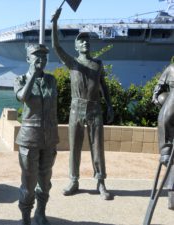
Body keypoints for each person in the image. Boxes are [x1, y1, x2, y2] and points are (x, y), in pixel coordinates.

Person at [51, 8, 114, 200]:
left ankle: (101, 181)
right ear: (76, 46)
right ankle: (73, 180)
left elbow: (103, 86)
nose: (85, 42)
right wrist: (54, 23)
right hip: (76, 108)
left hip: (95, 108)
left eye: (87, 40)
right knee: (74, 147)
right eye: (81, 40)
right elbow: (56, 46)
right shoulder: (72, 63)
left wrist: (110, 105)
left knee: (97, 147)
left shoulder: (98, 64)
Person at [14, 43, 59, 225]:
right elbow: (23, 97)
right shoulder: (21, 79)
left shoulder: (51, 80)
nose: (42, 59)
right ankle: (25, 218)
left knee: (45, 181)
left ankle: (40, 213)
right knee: (29, 183)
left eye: (45, 56)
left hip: (49, 138)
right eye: (36, 56)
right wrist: (32, 74)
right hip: (29, 138)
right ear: (28, 59)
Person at [152, 63, 174, 210]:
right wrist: (155, 96)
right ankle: (165, 151)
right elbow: (160, 85)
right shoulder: (171, 69)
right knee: (164, 117)